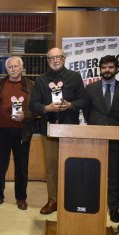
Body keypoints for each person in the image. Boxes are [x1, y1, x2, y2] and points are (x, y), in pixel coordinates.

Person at [29, 47, 85, 215]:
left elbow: (84, 99)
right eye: (51, 58)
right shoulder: (40, 80)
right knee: (51, 168)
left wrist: (71, 105)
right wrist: (46, 108)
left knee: (70, 166)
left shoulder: (74, 77)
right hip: (50, 130)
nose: (55, 60)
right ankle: (53, 201)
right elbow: (33, 104)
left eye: (58, 57)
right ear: (47, 61)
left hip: (70, 129)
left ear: (64, 58)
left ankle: (70, 200)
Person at [0, 56, 35, 210]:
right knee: (0, 166)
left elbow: (37, 108)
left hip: (22, 132)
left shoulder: (31, 85)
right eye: (10, 67)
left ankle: (21, 198)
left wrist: (26, 115)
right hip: (1, 130)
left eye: (16, 66)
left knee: (21, 167)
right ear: (6, 69)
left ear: (22, 68)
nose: (13, 69)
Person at [83, 55, 119, 223]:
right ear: (100, 69)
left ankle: (113, 209)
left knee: (113, 175)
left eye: (110, 67)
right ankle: (92, 204)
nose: (107, 70)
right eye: (104, 67)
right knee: (94, 173)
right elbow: (86, 110)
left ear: (116, 69)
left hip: (116, 139)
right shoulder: (91, 88)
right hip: (95, 138)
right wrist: (94, 124)